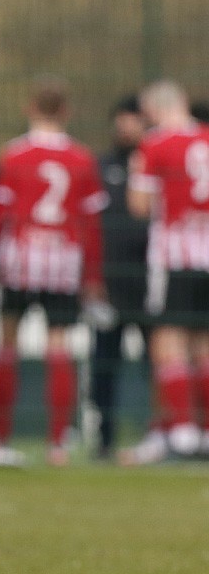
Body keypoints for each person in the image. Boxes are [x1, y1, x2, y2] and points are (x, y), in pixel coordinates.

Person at [0, 77, 108, 467]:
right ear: (66, 111)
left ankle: (0, 439)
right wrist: (93, 275)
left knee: (6, 346)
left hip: (19, 259)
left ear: (30, 109)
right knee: (59, 348)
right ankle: (58, 444)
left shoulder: (13, 155)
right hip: (63, 261)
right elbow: (92, 224)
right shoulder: (82, 158)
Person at [123, 80, 209, 465]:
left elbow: (140, 206)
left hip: (174, 255)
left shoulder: (154, 145)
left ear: (152, 112)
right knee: (204, 344)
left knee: (168, 340)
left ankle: (184, 432)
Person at [91, 95, 153, 459]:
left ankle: (164, 434)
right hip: (109, 283)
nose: (128, 125)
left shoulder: (157, 164)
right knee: (104, 364)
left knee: (158, 363)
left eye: (136, 118)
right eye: (123, 117)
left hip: (151, 284)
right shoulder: (99, 167)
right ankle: (104, 437)